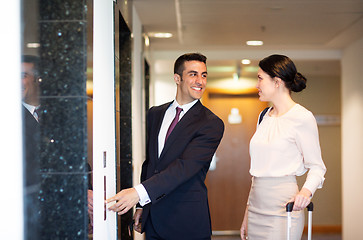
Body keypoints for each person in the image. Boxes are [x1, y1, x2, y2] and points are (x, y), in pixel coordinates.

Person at [107, 53, 225, 240]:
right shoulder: (155, 114)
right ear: (177, 78)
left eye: (204, 75)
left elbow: (184, 167)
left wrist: (138, 193)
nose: (200, 81)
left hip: (186, 221)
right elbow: (151, 164)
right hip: (154, 220)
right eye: (193, 74)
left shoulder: (211, 123)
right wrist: (142, 206)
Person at [240, 54, 327, 240]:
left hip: (283, 207)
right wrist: (247, 213)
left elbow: (317, 166)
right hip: (256, 206)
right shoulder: (263, 116)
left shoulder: (302, 118)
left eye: (260, 78)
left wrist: (306, 191)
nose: (257, 85)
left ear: (277, 81)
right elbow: (258, 171)